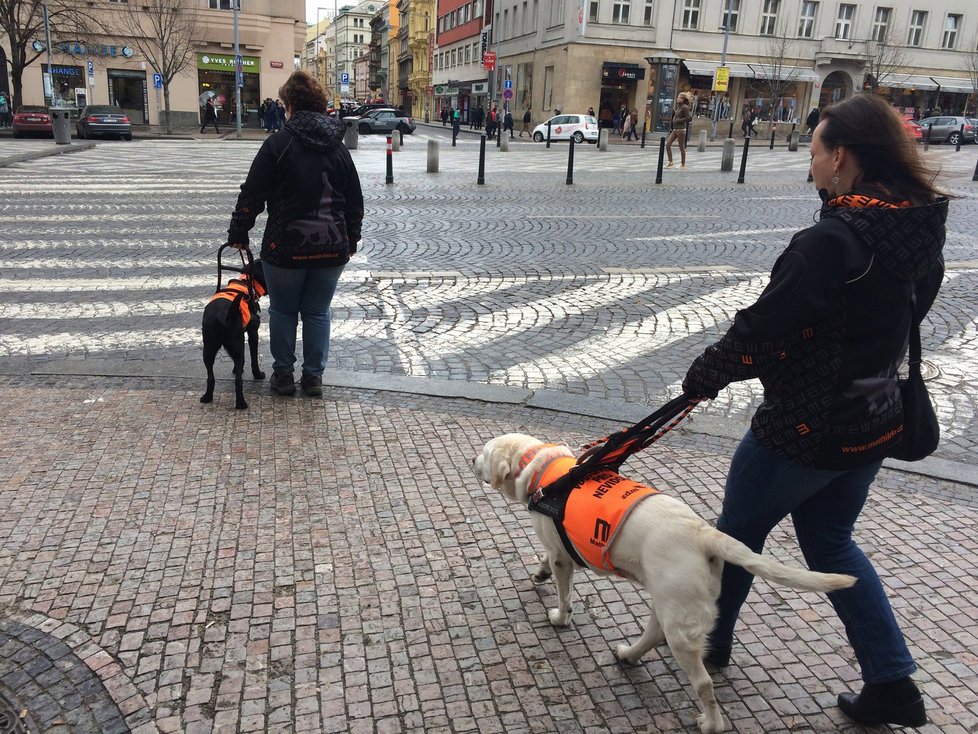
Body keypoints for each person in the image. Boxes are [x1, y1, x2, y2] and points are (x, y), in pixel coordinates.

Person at [681, 94, 947, 729]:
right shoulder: (918, 231)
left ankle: (711, 643)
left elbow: (764, 327)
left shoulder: (830, 241)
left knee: (735, 534)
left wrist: (703, 377)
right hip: (873, 419)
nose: (811, 161)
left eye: (816, 149)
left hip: (800, 430)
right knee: (831, 541)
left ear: (842, 158)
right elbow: (906, 313)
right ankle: (893, 683)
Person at [225, 70, 364, 398]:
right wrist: (351, 240)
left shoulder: (278, 144)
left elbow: (252, 194)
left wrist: (238, 232)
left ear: (289, 105)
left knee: (284, 311)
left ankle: (284, 375)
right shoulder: (339, 148)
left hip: (284, 247)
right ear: (319, 104)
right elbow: (354, 201)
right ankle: (313, 378)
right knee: (318, 311)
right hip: (332, 249)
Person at [666, 93, 692, 166]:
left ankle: (683, 163)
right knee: (668, 145)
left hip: (681, 130)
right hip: (675, 129)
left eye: (679, 97)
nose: (677, 98)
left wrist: (678, 120)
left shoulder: (684, 107)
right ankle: (670, 161)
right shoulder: (678, 107)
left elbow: (689, 118)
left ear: (683, 99)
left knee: (681, 147)